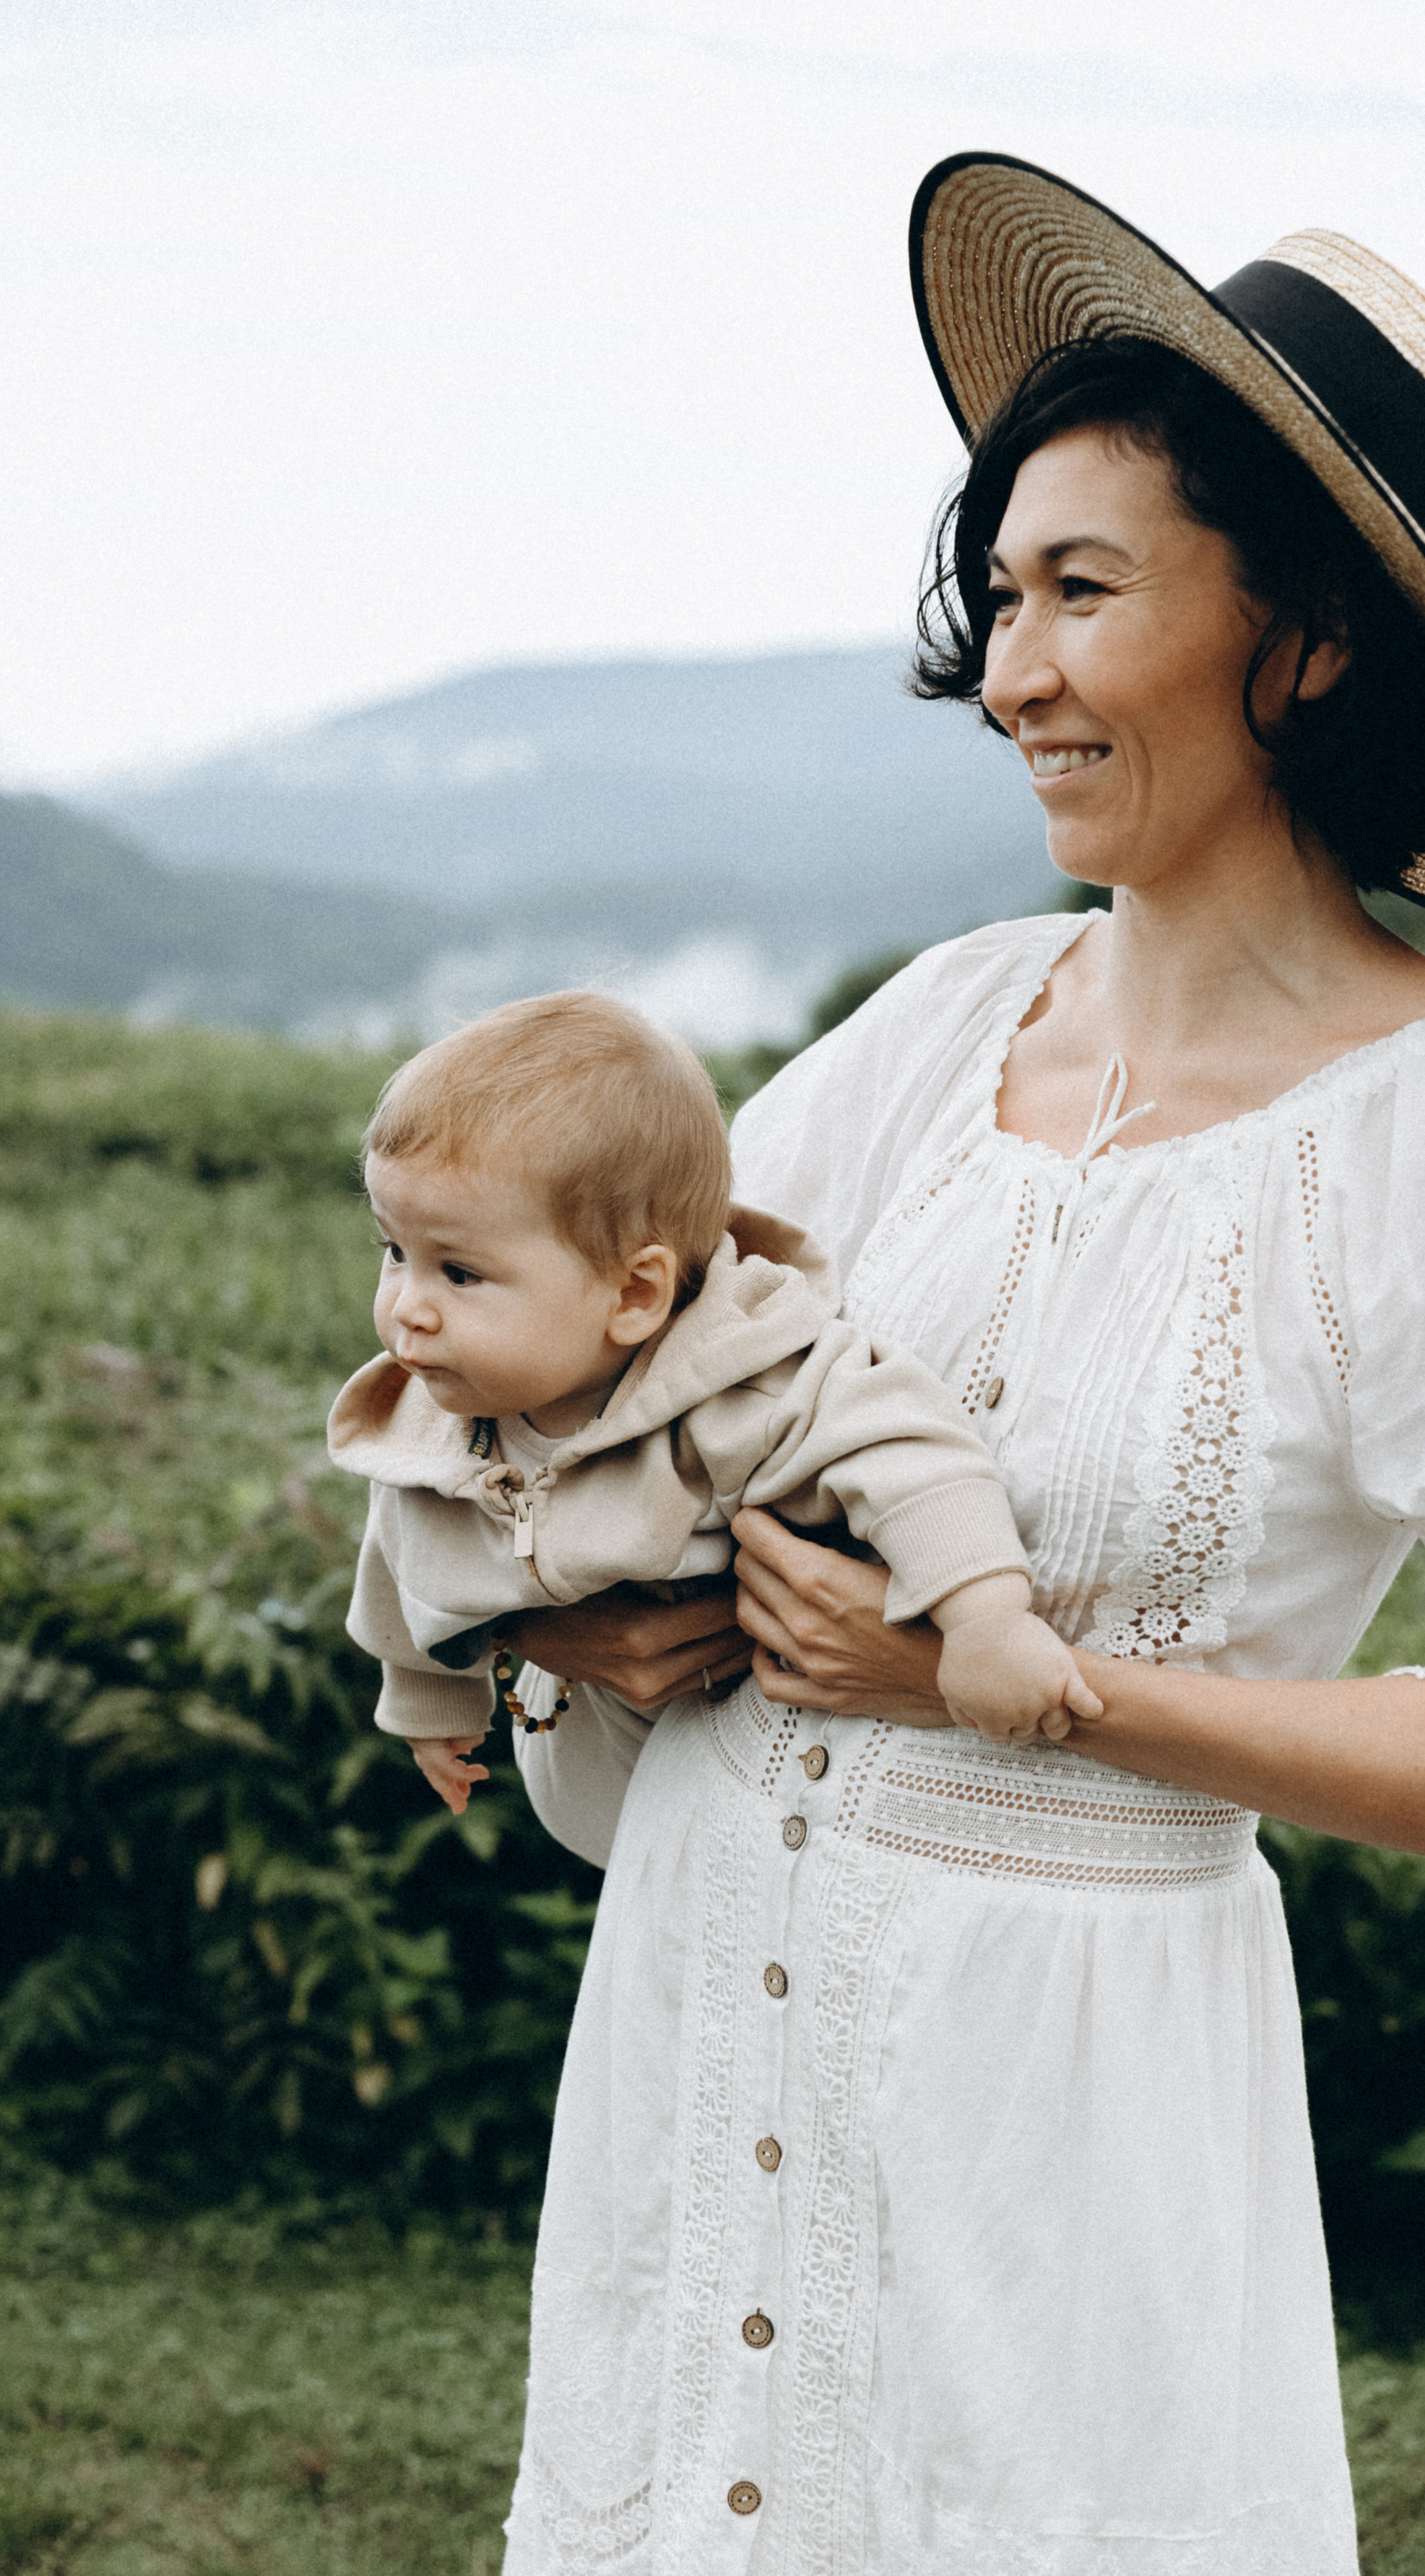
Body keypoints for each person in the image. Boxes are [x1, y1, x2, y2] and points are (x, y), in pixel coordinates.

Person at [497, 156, 1425, 2574]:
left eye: (1081, 591)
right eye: (997, 593)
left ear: (1303, 637)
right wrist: (576, 1604)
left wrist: (1016, 1686)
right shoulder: (924, 1032)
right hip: (705, 2021)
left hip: (1069, 2113)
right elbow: (589, 1406)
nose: (1005, 669)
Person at [327, 989, 1096, 1818]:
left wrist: (985, 1620)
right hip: (603, 1794)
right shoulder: (433, 1414)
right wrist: (429, 1703)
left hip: (763, 1776)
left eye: (460, 1272)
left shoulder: (744, 1385)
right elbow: (403, 1552)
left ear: (634, 1292)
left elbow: (911, 1455)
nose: (408, 1305)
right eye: (394, 1252)